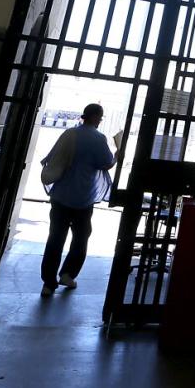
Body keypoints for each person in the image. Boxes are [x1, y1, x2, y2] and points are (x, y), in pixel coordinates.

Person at [40, 103, 119, 297]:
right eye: (100, 117)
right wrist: (118, 155)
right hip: (84, 197)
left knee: (55, 238)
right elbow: (106, 163)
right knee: (81, 237)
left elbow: (51, 158)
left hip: (60, 195)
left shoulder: (69, 134)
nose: (100, 121)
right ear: (95, 117)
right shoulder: (98, 138)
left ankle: (48, 283)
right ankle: (68, 274)